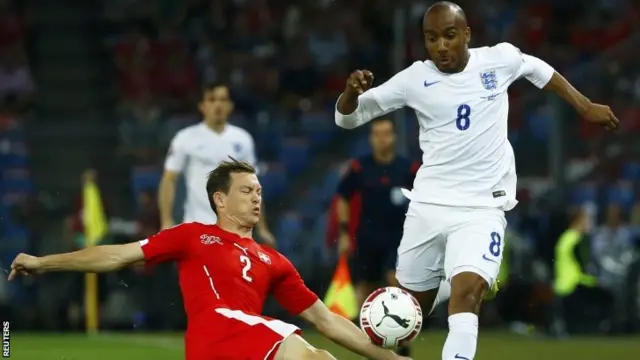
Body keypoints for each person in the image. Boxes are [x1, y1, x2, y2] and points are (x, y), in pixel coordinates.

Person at [334, 2, 618, 360]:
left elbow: (538, 69)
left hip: (482, 207)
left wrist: (584, 104)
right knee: (409, 310)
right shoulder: (414, 79)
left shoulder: (498, 60)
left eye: (449, 36)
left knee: (468, 293)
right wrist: (350, 94)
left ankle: (459, 297)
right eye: (431, 39)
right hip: (428, 206)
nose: (440, 46)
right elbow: (348, 118)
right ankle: (432, 300)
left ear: (466, 35)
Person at [8, 160, 410, 360]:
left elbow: (327, 320)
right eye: (247, 191)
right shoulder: (193, 236)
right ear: (220, 199)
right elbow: (117, 254)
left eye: (259, 191)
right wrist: (45, 263)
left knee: (320, 354)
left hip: (245, 346)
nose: (257, 197)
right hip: (217, 334)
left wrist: (388, 357)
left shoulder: (274, 260)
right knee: (304, 353)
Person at [336, 117, 418, 356]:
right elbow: (342, 197)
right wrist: (343, 232)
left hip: (399, 238)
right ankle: (370, 341)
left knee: (396, 284)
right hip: (368, 237)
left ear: (394, 136)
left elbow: (423, 197)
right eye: (377, 134)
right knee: (367, 289)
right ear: (371, 138)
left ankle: (402, 343)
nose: (382, 139)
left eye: (386, 133)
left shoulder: (408, 168)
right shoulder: (359, 168)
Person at [158, 82, 276, 246]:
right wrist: (166, 220)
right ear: (202, 106)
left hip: (235, 232)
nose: (217, 105)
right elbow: (169, 178)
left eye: (222, 100)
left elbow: (253, 187)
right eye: (212, 100)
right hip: (197, 228)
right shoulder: (185, 138)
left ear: (230, 106)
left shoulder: (242, 139)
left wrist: (262, 228)